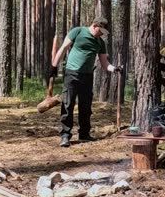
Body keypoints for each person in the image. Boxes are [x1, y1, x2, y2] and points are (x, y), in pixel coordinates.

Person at [49, 17, 122, 147]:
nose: (101, 34)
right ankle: (65, 135)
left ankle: (84, 134)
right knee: (68, 104)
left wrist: (114, 69)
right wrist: (54, 66)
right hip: (71, 74)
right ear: (95, 25)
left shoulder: (100, 43)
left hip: (87, 76)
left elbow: (105, 63)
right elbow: (63, 48)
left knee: (86, 106)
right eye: (101, 31)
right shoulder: (77, 32)